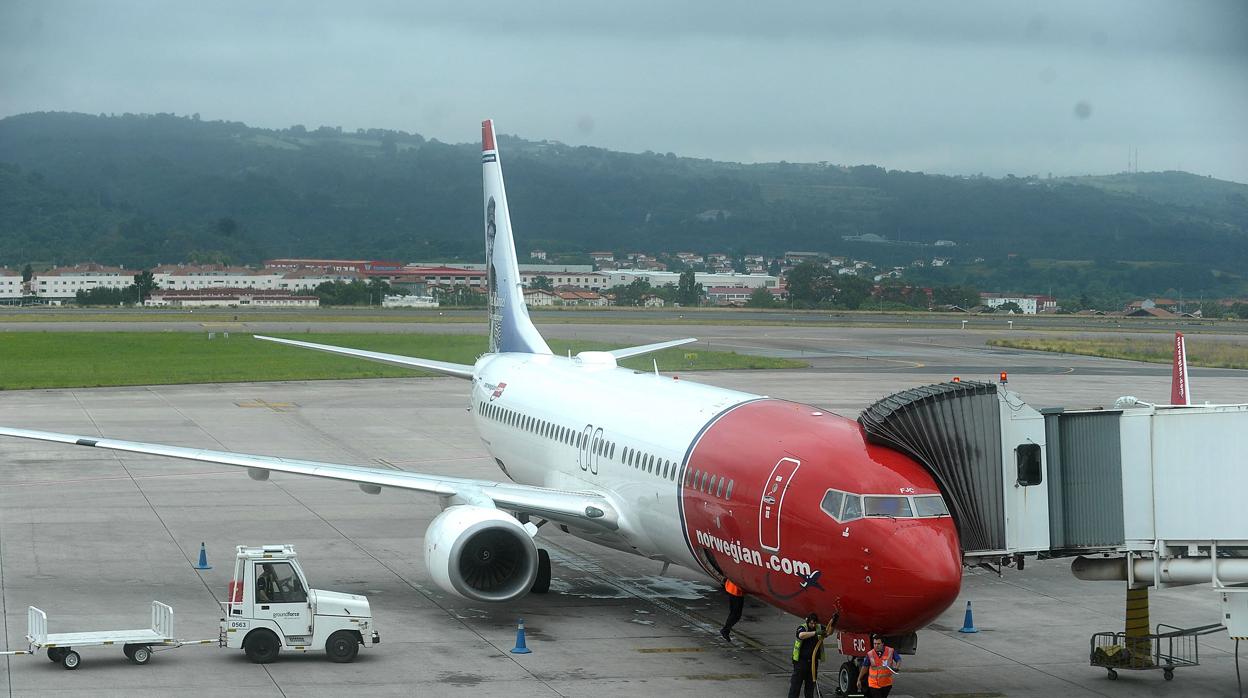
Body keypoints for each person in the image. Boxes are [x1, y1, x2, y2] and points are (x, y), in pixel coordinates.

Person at [788, 613, 825, 698]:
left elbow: (828, 632)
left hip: (812, 662)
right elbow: (801, 635)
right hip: (801, 662)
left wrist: (833, 623)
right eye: (811, 623)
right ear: (807, 622)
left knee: (810, 686)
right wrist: (815, 633)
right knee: (796, 685)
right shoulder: (802, 628)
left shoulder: (818, 627)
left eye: (815, 623)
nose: (813, 625)